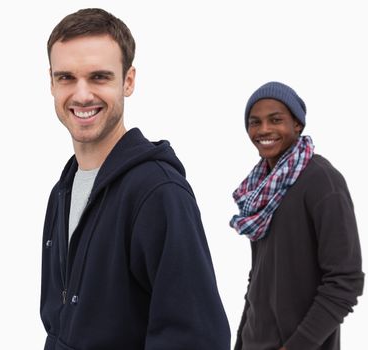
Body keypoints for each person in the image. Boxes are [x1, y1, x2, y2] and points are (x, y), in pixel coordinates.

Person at [41, 8, 230, 350]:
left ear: (128, 81)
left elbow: (198, 339)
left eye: (99, 77)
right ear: (51, 83)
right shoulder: (63, 190)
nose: (82, 95)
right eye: (67, 77)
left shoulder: (158, 193)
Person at [230, 81, 364, 350]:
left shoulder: (322, 181)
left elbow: (345, 281)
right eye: (255, 122)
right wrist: (241, 341)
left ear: (297, 125)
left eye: (275, 120)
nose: (264, 129)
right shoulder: (261, 190)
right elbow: (258, 278)